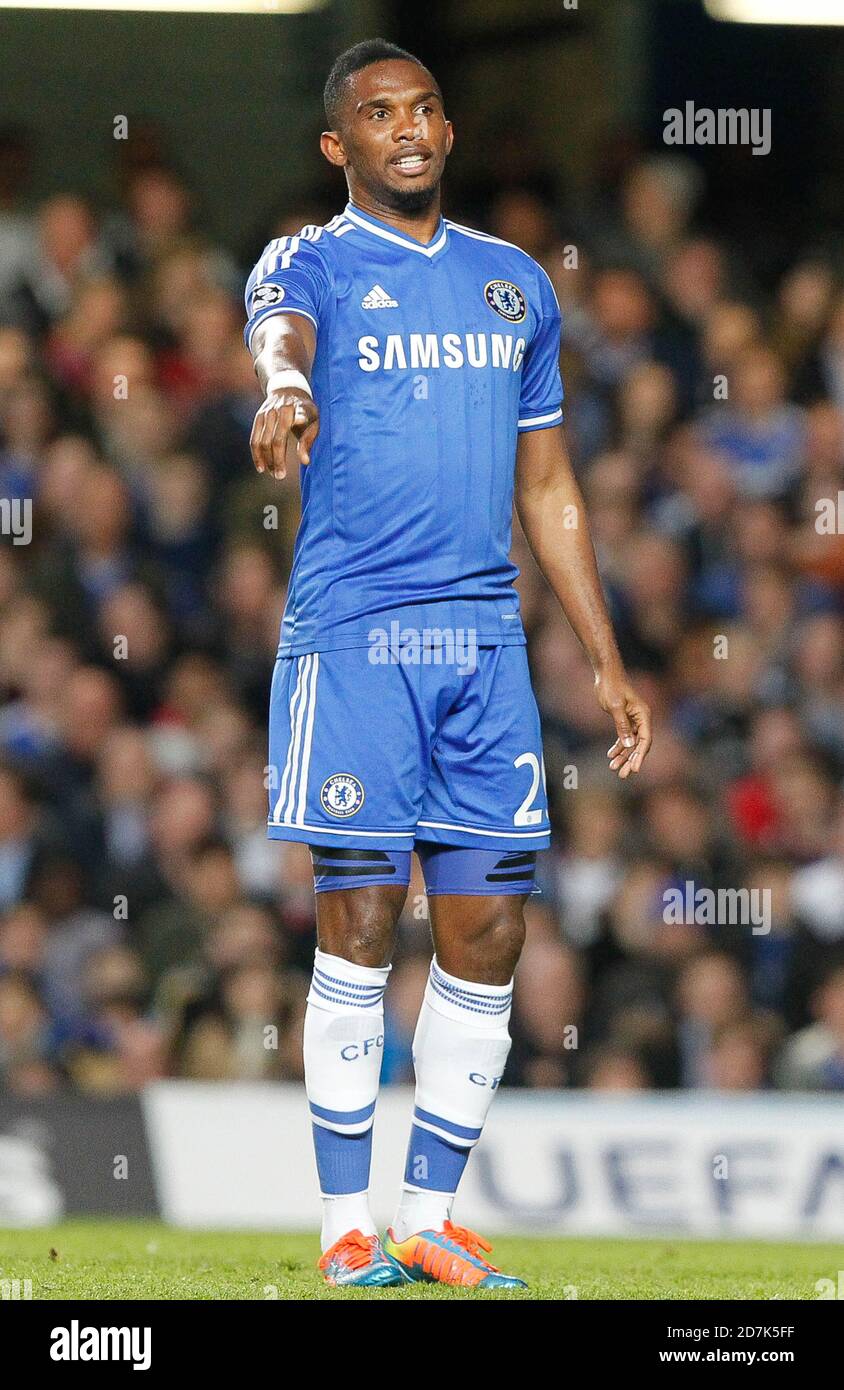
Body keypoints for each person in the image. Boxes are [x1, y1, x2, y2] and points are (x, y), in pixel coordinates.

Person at [244, 38, 652, 1289]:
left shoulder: (512, 283)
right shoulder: (309, 260)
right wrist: (281, 389)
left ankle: (427, 1217)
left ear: (448, 129)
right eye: (380, 113)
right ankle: (343, 1225)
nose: (409, 127)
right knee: (362, 921)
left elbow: (549, 484)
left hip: (484, 648)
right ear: (339, 144)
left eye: (423, 107)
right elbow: (279, 338)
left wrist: (604, 655)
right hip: (359, 636)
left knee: (488, 929)